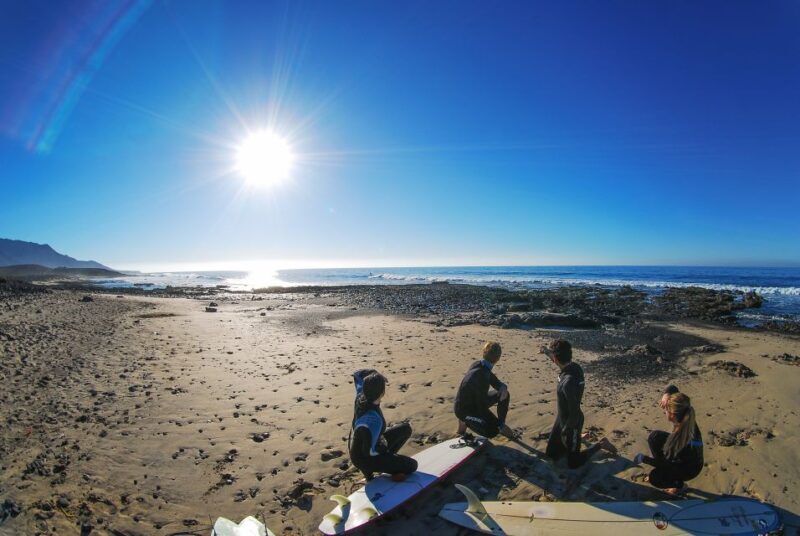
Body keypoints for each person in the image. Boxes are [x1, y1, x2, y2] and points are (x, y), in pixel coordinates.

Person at [543, 339, 615, 468]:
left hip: (572, 422)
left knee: (573, 463)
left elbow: (575, 412)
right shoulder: (574, 367)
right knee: (551, 454)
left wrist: (567, 430)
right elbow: (557, 359)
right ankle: (577, 439)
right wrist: (545, 351)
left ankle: (601, 444)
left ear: (555, 358)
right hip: (562, 418)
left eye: (552, 356)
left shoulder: (568, 383)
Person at [349, 369, 418, 481]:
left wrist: (377, 375)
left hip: (371, 443)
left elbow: (358, 374)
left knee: (405, 429)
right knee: (413, 466)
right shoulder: (373, 421)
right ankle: (372, 471)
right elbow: (369, 452)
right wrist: (384, 447)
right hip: (365, 458)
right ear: (382, 393)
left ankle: (388, 464)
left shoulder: (362, 395)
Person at [633, 385, 704, 494]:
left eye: (665, 410)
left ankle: (679, 485)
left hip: (689, 469)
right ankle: (667, 473)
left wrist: (643, 459)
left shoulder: (680, 443)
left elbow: (668, 465)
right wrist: (667, 395)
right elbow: (672, 387)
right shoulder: (685, 412)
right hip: (683, 458)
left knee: (655, 478)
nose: (664, 410)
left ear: (671, 415)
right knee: (654, 437)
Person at [454, 341, 514, 438]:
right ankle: (464, 422)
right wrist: (498, 425)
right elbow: (480, 408)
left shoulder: (478, 364)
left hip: (469, 402)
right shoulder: (482, 376)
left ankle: (501, 425)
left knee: (505, 393)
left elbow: (494, 381)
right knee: (493, 432)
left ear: (484, 353)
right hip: (463, 409)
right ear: (498, 359)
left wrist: (503, 387)